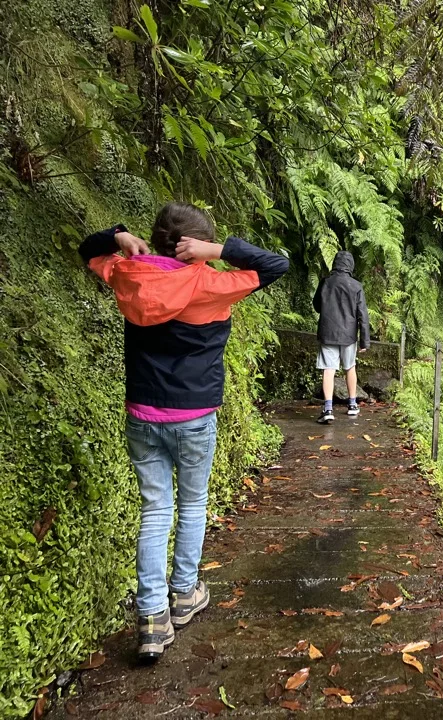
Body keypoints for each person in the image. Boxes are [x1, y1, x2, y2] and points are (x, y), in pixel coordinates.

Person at [78, 202, 288, 662]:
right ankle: (185, 594)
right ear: (196, 246)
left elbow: (88, 250)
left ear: (155, 240)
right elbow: (276, 265)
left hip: (142, 415)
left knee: (156, 510)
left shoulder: (129, 274)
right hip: (193, 417)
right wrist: (219, 251)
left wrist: (117, 236)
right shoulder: (211, 283)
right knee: (192, 504)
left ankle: (153, 618)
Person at [313, 250, 370, 423]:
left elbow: (317, 306)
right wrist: (365, 341)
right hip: (349, 335)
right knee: (350, 367)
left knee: (328, 369)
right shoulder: (356, 286)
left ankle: (328, 409)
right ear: (350, 265)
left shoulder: (325, 282)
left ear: (335, 264)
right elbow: (363, 315)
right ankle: (352, 405)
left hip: (328, 333)